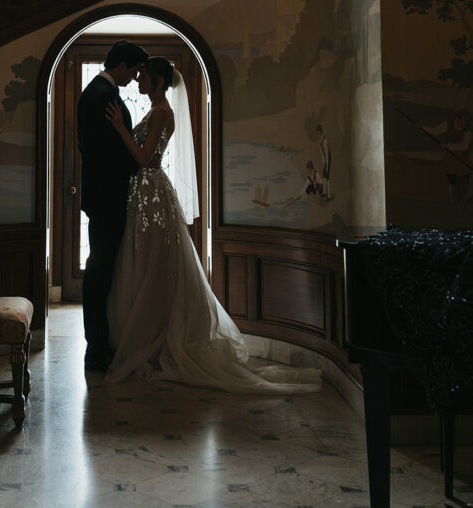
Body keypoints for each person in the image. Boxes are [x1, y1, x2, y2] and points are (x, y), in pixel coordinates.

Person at [105, 56, 320, 393]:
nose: (138, 80)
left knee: (152, 264)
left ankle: (157, 339)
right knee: (146, 263)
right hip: (144, 193)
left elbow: (146, 158)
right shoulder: (155, 110)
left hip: (151, 190)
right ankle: (149, 335)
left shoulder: (162, 112)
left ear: (160, 80)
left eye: (144, 75)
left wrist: (119, 128)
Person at [77, 39, 149, 372]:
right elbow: (111, 153)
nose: (135, 77)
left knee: (101, 267)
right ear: (121, 64)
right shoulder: (104, 97)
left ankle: (100, 342)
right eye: (134, 70)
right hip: (109, 195)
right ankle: (96, 347)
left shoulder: (95, 92)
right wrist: (135, 164)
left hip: (102, 194)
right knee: (100, 271)